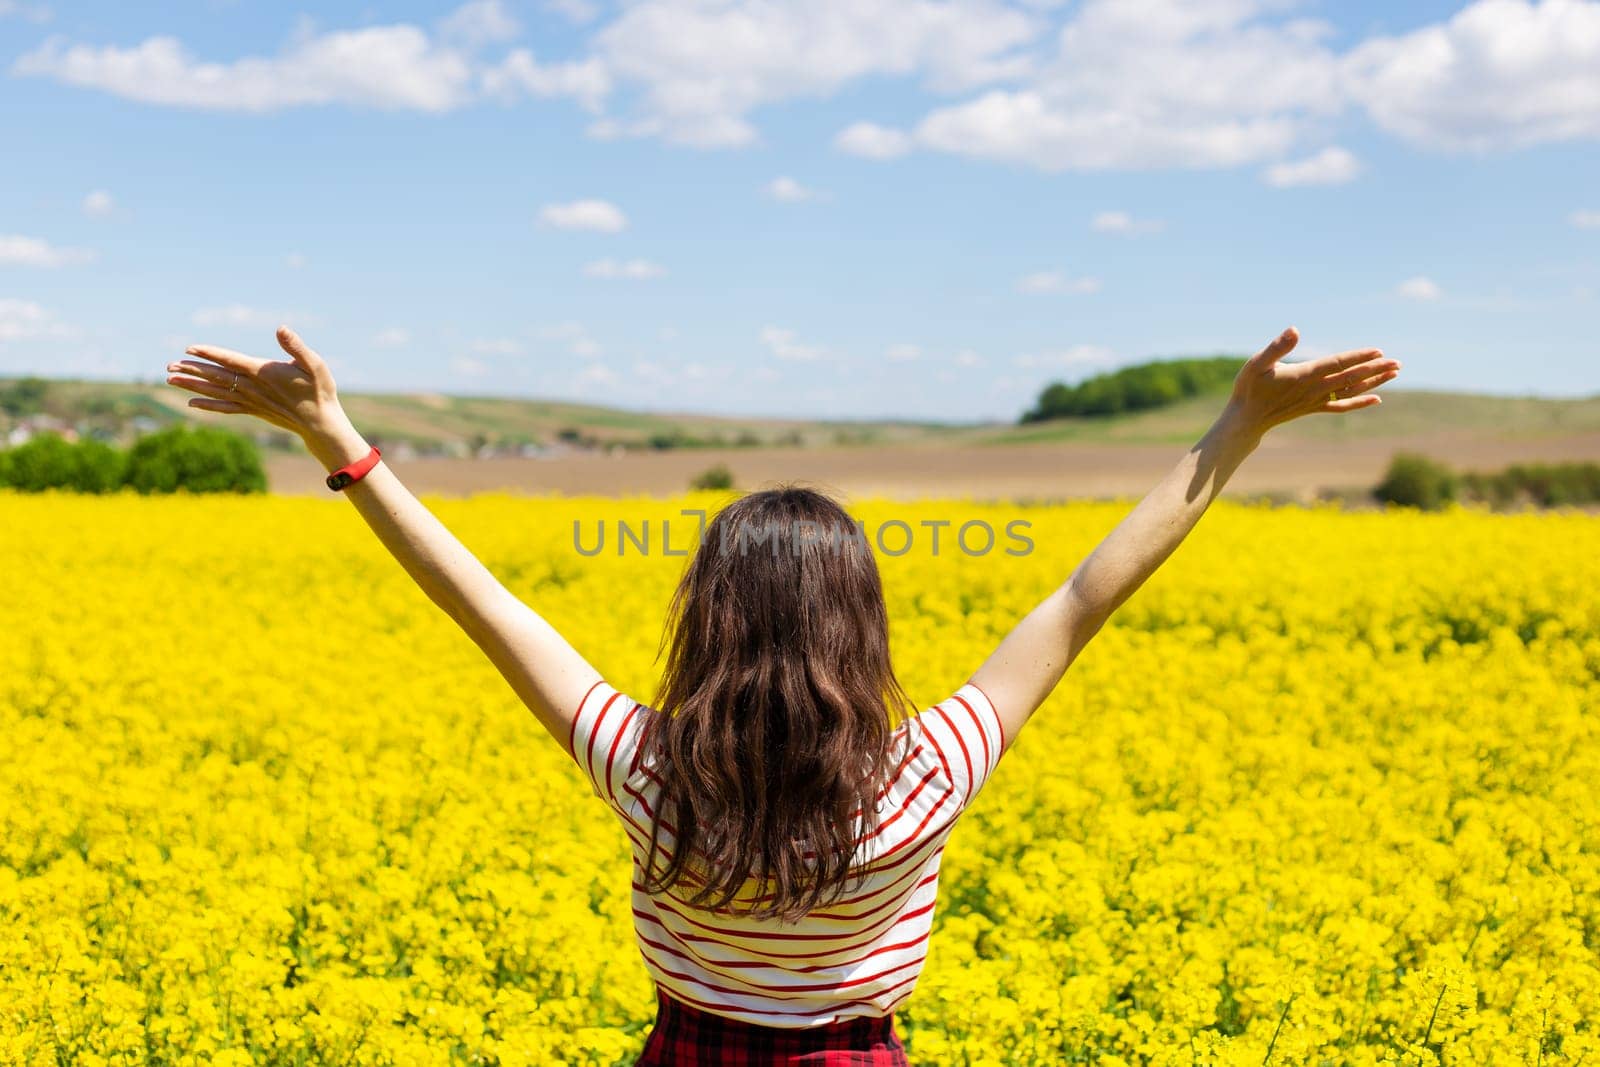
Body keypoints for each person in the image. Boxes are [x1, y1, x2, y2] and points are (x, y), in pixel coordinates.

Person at [165, 325, 1399, 1065]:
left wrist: (340, 443)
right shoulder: (926, 773)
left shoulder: (643, 769)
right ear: (859, 628)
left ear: (703, 619)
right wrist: (1238, 426)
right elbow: (1087, 595)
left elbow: (480, 602)